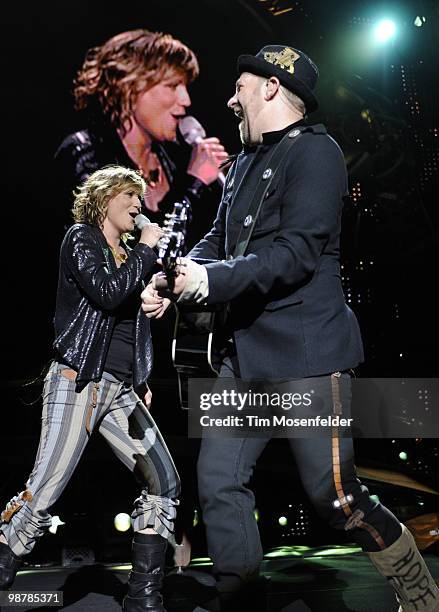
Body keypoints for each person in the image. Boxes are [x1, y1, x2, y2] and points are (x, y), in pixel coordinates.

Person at [142, 45, 439, 611]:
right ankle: (240, 599)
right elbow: (219, 243)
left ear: (273, 89)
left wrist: (204, 283)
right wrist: (175, 278)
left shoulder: (318, 154)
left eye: (241, 88)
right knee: (218, 481)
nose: (231, 100)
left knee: (335, 496)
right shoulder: (244, 164)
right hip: (241, 360)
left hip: (306, 356)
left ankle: (421, 592)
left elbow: (295, 255)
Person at [0, 165, 179, 612]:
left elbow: (128, 311)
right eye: (130, 196)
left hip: (121, 390)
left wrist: (142, 370)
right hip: (78, 381)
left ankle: (143, 597)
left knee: (165, 483)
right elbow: (106, 293)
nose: (139, 205)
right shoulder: (81, 239)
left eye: (141, 198)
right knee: (42, 494)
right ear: (103, 197)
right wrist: (146, 253)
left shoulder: (131, 255)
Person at [54, 29, 228, 244]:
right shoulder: (86, 154)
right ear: (131, 87)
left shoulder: (175, 158)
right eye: (173, 86)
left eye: (184, 87)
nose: (186, 100)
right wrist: (194, 186)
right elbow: (127, 254)